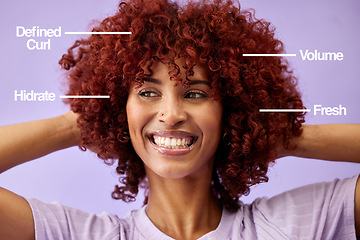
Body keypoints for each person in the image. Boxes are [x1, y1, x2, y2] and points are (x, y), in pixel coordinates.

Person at [1, 0, 359, 239]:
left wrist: (283, 136)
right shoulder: (80, 234)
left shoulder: (294, 224)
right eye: (147, 92)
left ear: (231, 112)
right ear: (118, 109)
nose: (171, 114)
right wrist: (77, 124)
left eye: (195, 93)